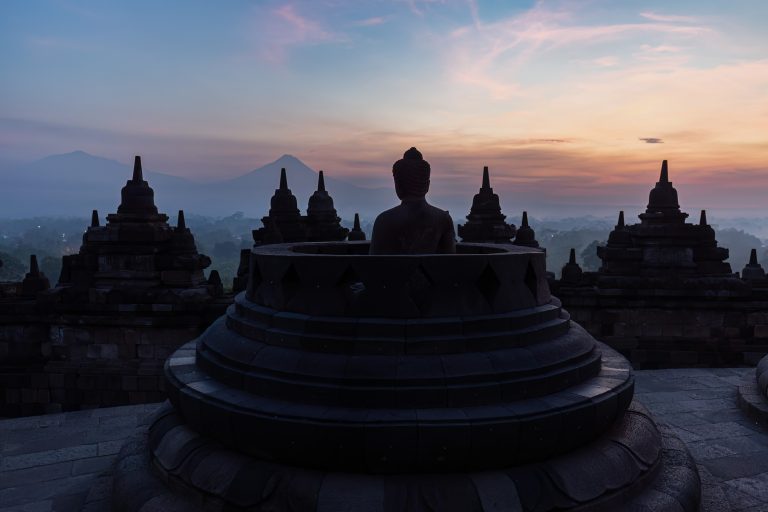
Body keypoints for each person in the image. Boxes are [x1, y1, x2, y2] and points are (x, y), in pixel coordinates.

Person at [369, 147, 456, 254]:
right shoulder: (443, 219)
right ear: (427, 185)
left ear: (398, 185)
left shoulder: (383, 221)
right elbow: (450, 260)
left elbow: (374, 262)